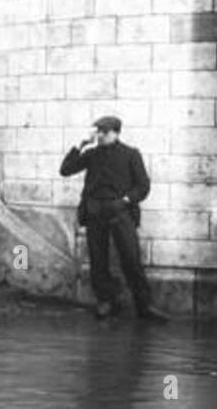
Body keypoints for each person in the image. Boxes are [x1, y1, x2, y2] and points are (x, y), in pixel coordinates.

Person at [59, 116, 167, 321]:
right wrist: (80, 143)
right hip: (95, 212)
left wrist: (126, 200)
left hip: (120, 211)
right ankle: (106, 302)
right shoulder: (91, 154)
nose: (100, 135)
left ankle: (144, 306)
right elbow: (65, 170)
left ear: (116, 133)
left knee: (131, 259)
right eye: (98, 131)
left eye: (104, 132)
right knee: (98, 261)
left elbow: (143, 186)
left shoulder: (131, 154)